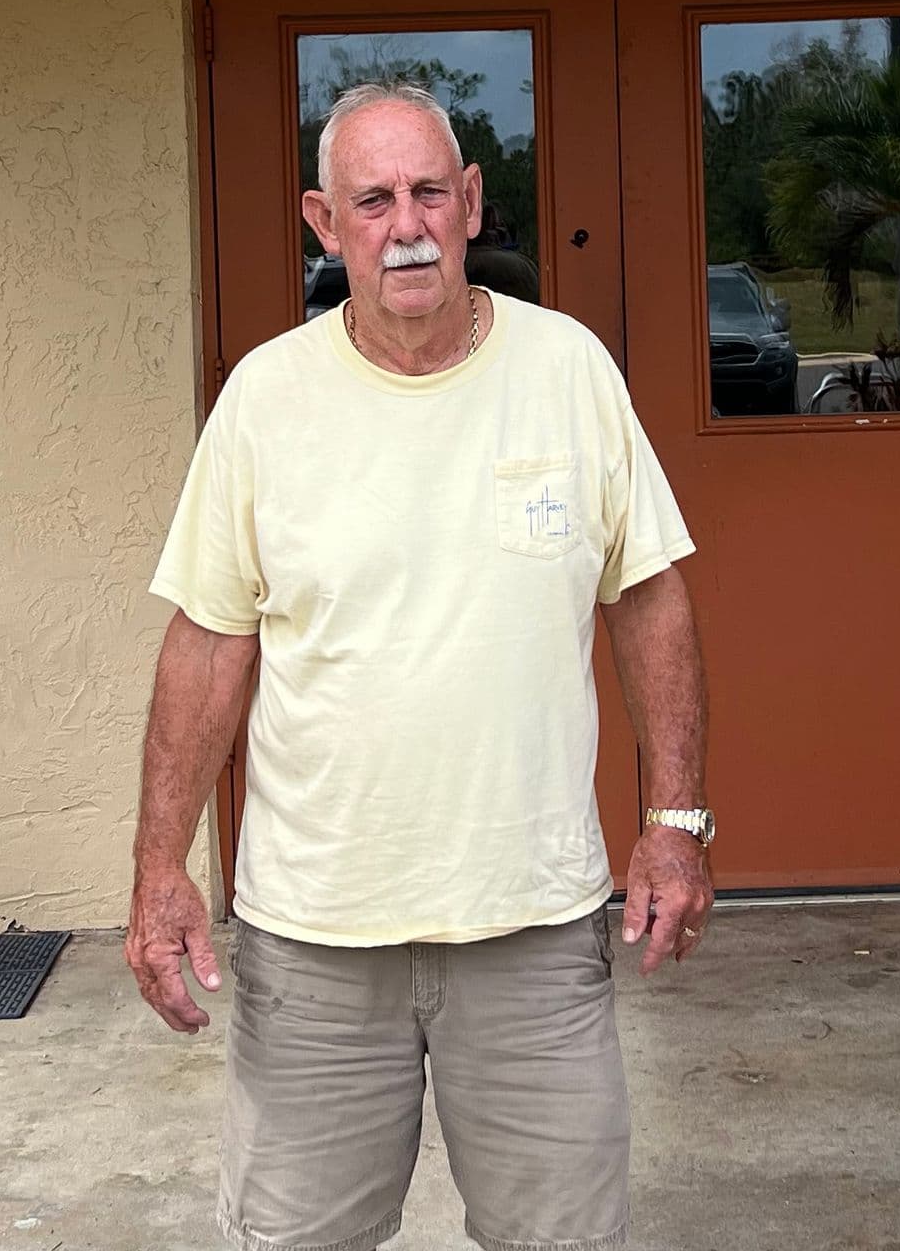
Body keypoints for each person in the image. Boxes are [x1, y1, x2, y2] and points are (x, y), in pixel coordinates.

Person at [129, 79, 715, 1251]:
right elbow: (207, 641)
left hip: (534, 925)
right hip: (315, 935)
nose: (405, 223)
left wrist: (674, 820)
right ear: (322, 220)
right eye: (372, 197)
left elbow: (648, 595)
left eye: (428, 191)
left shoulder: (566, 369)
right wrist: (160, 869)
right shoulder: (265, 399)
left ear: (471, 204)